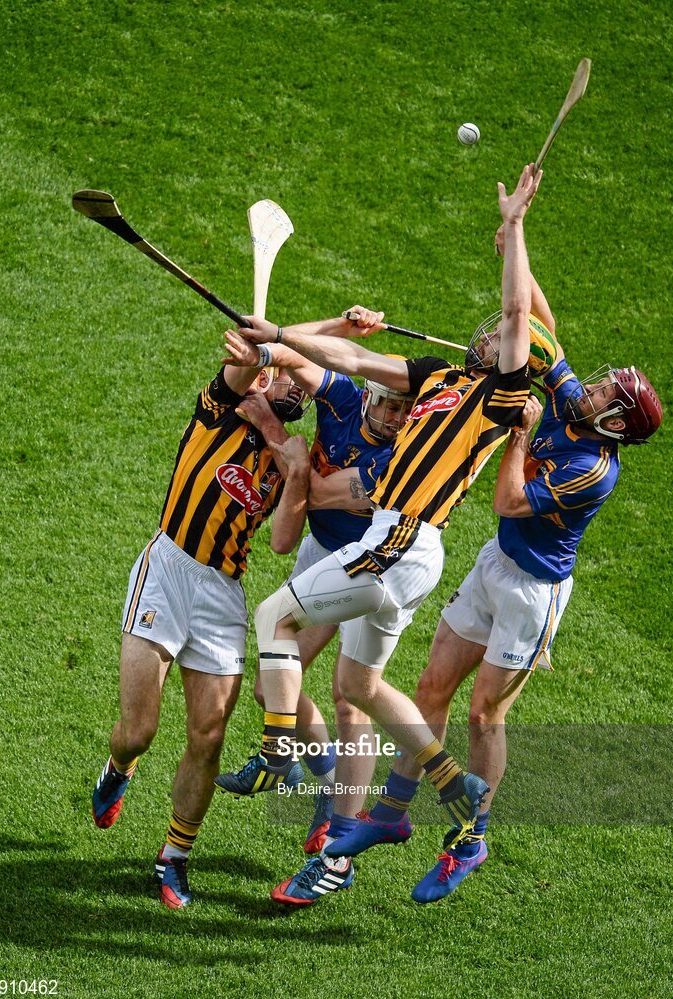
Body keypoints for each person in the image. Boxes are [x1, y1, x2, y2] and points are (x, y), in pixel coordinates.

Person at [215, 164, 542, 904]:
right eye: (488, 332)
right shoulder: (435, 376)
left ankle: (275, 751)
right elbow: (355, 360)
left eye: (500, 335)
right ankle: (384, 826)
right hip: (401, 548)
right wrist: (276, 341)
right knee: (355, 686)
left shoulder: (500, 398)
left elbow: (521, 318)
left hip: (404, 541)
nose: (491, 333)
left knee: (273, 616)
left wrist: (515, 226)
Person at [328, 226, 664, 905]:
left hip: (533, 596)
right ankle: (387, 819)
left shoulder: (593, 468)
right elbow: (541, 322)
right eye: (599, 385)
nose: (591, 389)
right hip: (493, 566)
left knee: (485, 714)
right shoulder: (575, 408)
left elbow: (510, 500)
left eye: (606, 394)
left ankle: (469, 839)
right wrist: (516, 235)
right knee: (429, 688)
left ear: (618, 425)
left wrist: (516, 433)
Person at [90, 352, 312, 910]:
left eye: (305, 385)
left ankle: (174, 857)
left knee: (208, 736)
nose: (298, 388)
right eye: (289, 372)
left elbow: (283, 541)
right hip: (166, 572)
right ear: (265, 374)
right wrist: (263, 351)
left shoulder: (290, 458)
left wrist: (299, 474)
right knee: (139, 729)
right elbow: (242, 359)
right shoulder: (219, 411)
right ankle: (120, 765)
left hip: (222, 596)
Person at [223, 310, 418, 853]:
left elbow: (313, 491)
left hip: (360, 566)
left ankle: (337, 814)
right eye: (388, 403)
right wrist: (267, 348)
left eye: (404, 408)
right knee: (270, 687)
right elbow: (297, 359)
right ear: (370, 394)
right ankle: (326, 779)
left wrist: (268, 426)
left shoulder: (397, 459)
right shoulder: (345, 397)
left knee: (349, 698)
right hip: (318, 552)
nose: (394, 416)